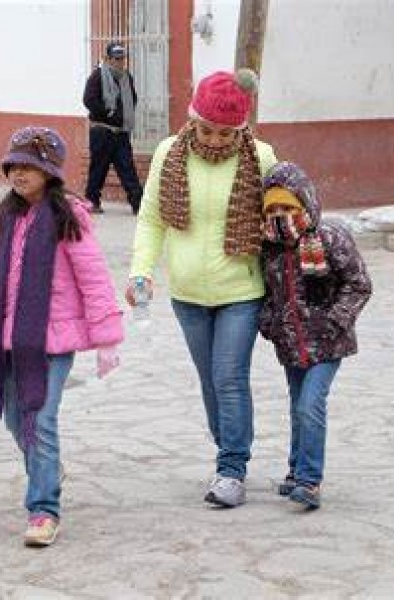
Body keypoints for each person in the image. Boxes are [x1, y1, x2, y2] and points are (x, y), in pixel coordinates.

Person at [0, 126, 124, 546]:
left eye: (28, 166)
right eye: (12, 166)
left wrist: (107, 338)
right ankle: (47, 466)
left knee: (42, 419)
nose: (18, 174)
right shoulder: (4, 218)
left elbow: (93, 278)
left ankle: (43, 509)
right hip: (11, 339)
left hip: (53, 342)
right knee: (17, 419)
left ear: (49, 171)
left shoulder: (69, 217)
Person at [126, 69, 277, 507]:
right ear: (193, 120)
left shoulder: (262, 157)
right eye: (206, 129)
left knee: (229, 377)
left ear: (241, 128)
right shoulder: (168, 153)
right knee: (210, 381)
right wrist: (142, 270)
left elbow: (281, 214)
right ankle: (228, 445)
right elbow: (152, 217)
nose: (213, 139)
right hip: (188, 291)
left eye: (224, 132)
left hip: (241, 289)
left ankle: (232, 468)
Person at [259, 162, 372, 510]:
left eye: (288, 208)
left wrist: (334, 322)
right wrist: (270, 323)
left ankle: (310, 480)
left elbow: (358, 284)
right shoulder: (271, 247)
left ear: (305, 204)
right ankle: (295, 471)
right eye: (273, 209)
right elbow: (267, 293)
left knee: (310, 405)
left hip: (328, 343)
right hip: (291, 345)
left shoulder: (330, 238)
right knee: (298, 407)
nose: (281, 215)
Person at [83, 41, 144, 215]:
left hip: (121, 132)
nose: (120, 62)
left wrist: (124, 117)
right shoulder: (97, 76)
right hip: (102, 130)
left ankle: (138, 204)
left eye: (122, 58)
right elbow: (89, 100)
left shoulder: (126, 77)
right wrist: (108, 113)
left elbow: (133, 99)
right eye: (116, 58)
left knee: (127, 168)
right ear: (107, 58)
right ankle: (92, 201)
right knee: (98, 168)